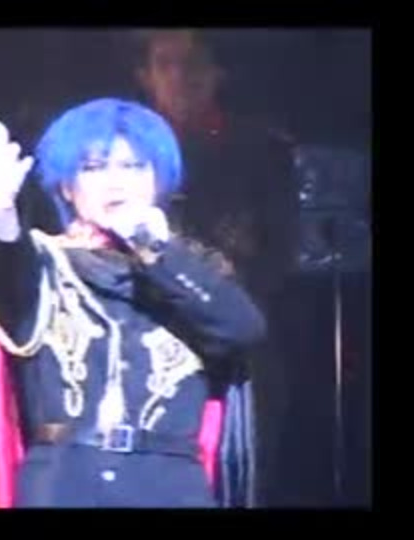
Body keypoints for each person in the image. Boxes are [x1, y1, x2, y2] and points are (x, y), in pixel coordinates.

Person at [0, 97, 266, 508]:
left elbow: (242, 329)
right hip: (62, 484)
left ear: (159, 182)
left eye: (133, 166)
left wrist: (154, 249)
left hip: (169, 487)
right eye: (94, 167)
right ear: (67, 187)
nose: (115, 182)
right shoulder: (44, 265)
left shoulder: (193, 268)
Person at [132, 29, 300, 506]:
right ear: (145, 76)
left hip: (239, 354)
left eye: (193, 63)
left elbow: (278, 254)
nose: (181, 76)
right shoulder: (124, 154)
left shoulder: (261, 150)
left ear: (217, 72)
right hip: (144, 352)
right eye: (166, 63)